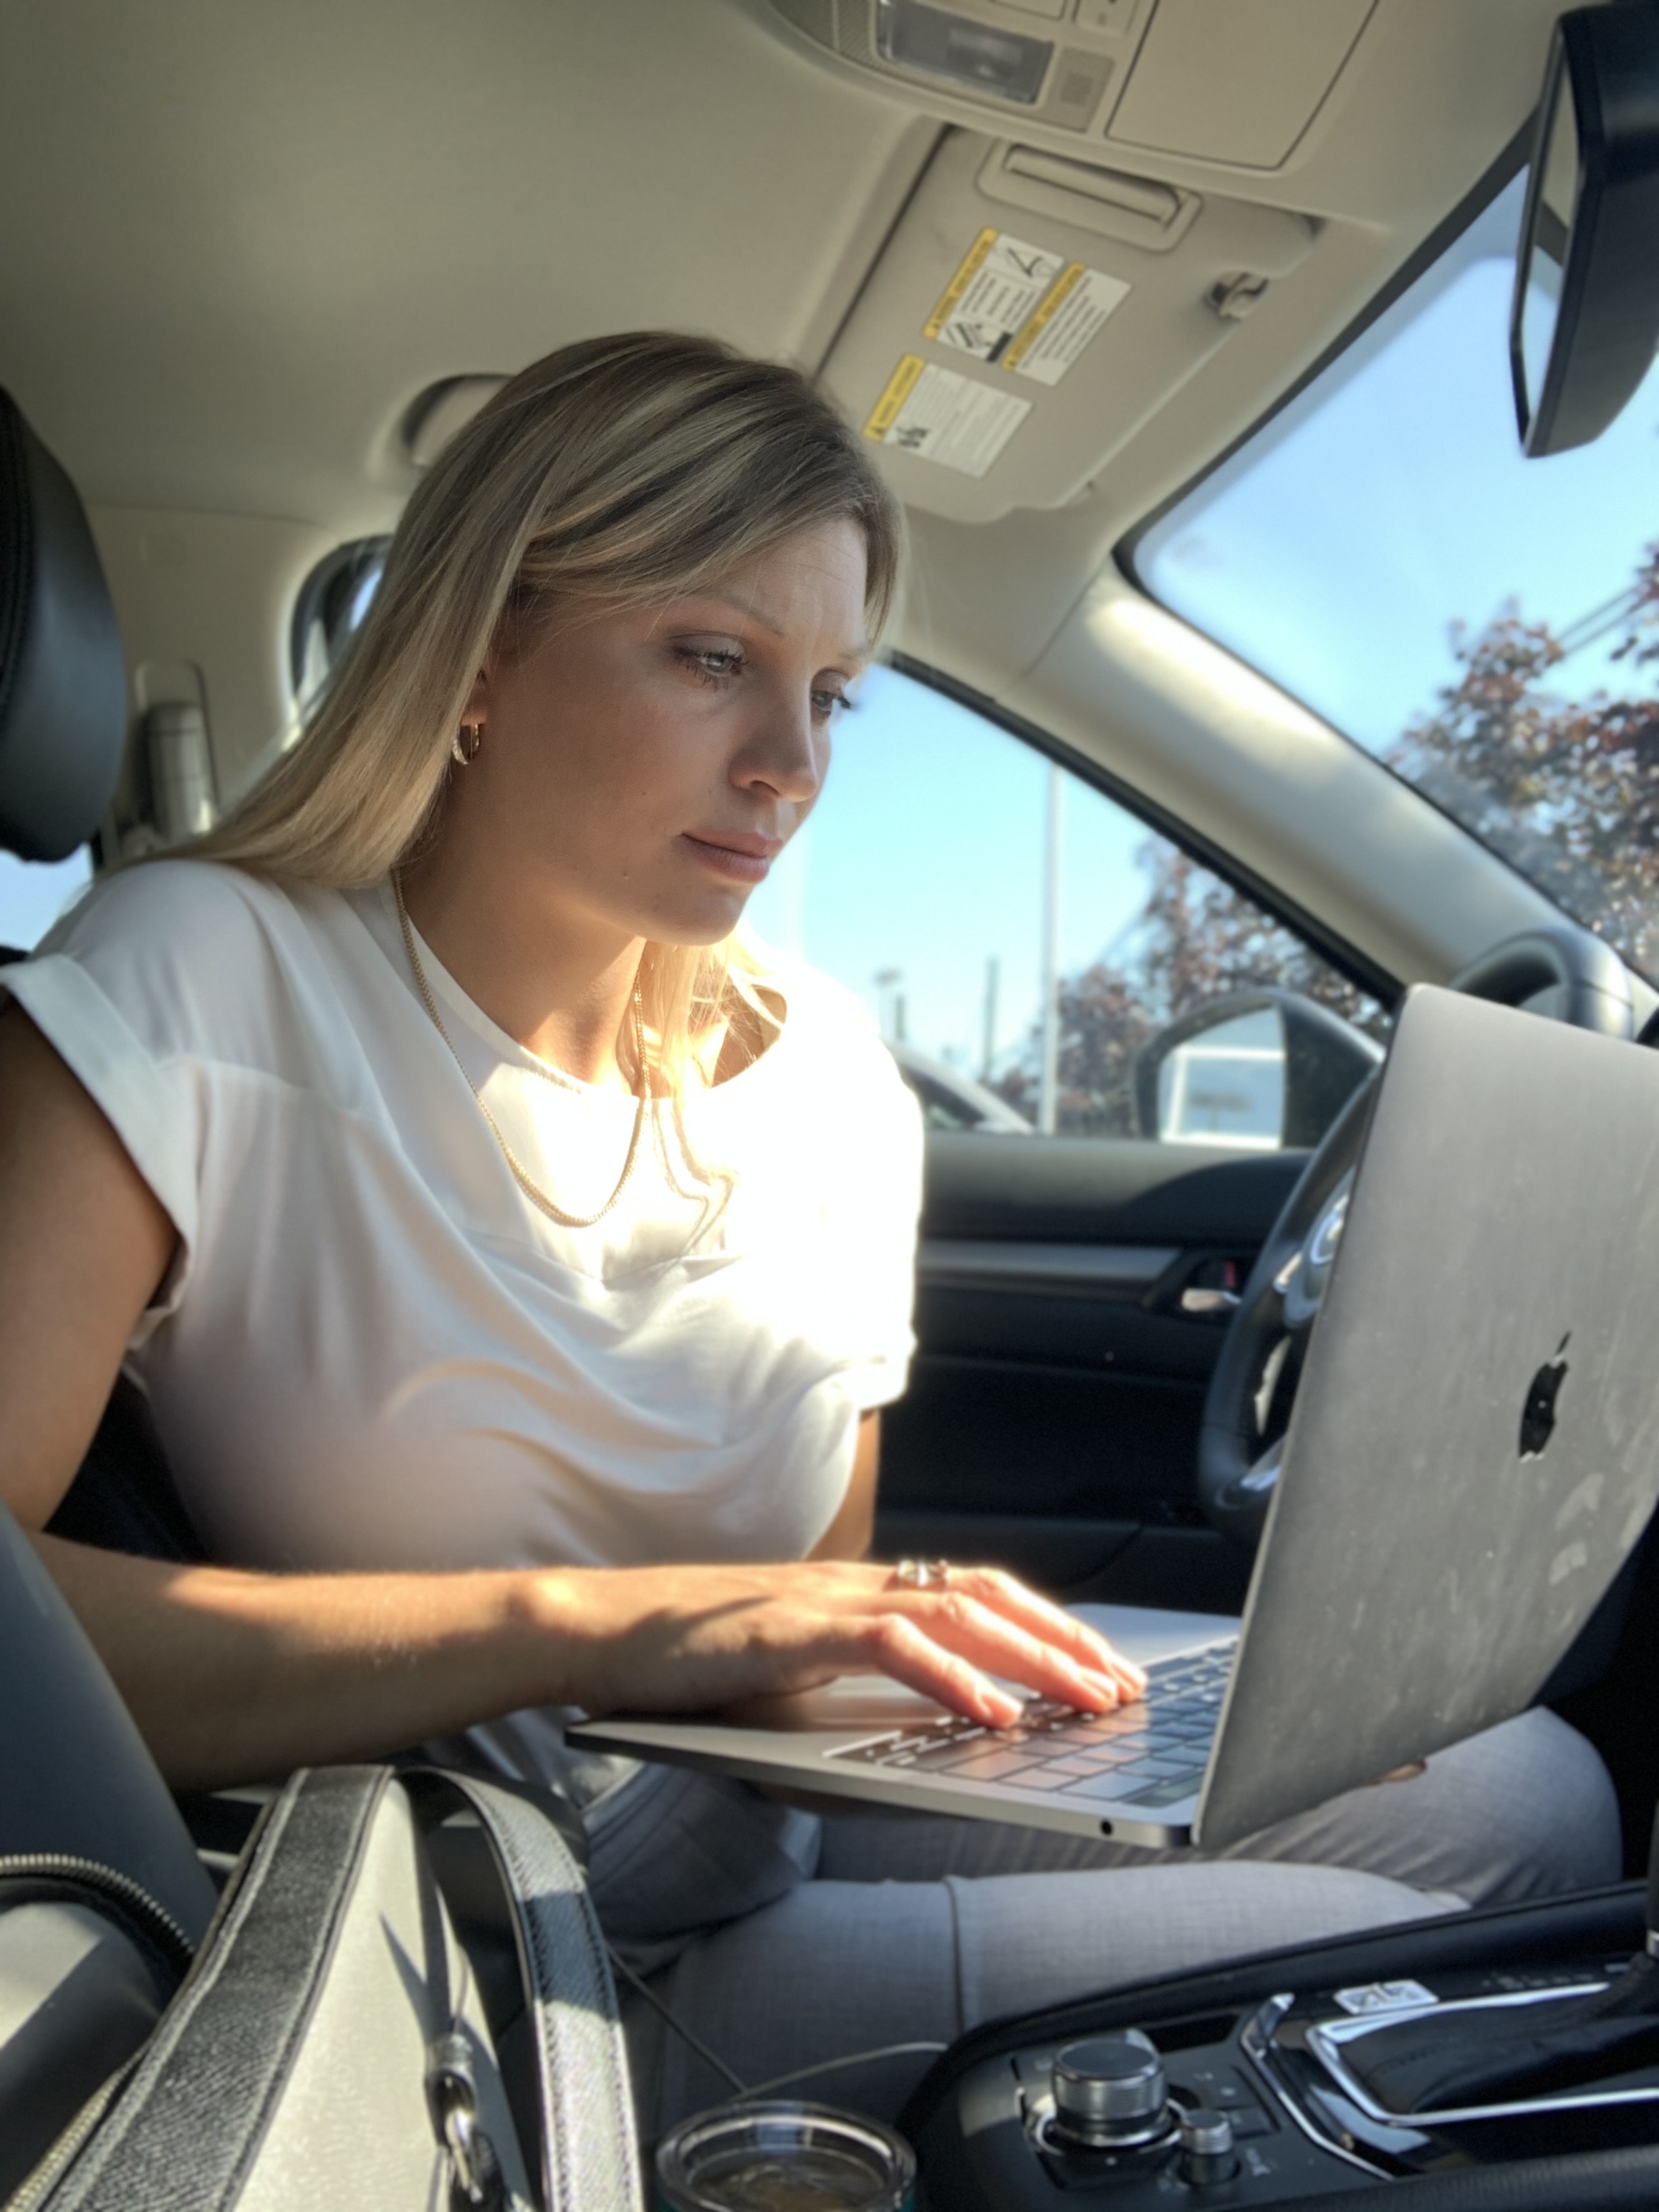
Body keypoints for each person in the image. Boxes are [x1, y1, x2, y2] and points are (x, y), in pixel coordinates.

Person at [0, 333, 1618, 2135]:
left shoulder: (838, 1073)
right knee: (1447, 1937)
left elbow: (795, 1640)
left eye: (834, 691)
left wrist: (1075, 1705)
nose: (789, 762)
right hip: (520, 1933)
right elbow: (8, 1626)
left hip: (754, 1806)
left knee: (1537, 1796)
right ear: (476, 656)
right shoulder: (195, 978)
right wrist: (604, 1621)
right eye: (713, 658)